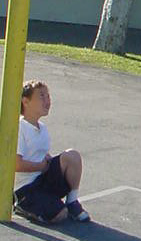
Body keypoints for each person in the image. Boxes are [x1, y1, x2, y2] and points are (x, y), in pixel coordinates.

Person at [13, 79, 90, 224]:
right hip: (26, 189)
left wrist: (49, 163)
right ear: (26, 101)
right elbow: (16, 164)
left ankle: (72, 201)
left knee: (72, 156)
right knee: (60, 215)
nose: (47, 100)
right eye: (41, 96)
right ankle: (23, 207)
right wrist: (41, 167)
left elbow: (41, 155)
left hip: (43, 179)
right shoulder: (19, 127)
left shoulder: (42, 128)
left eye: (48, 96)